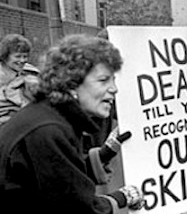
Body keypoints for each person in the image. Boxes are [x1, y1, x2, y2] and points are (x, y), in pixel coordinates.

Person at [0, 34, 144, 213]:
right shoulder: (48, 130)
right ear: (71, 84)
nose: (114, 88)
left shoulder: (51, 117)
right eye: (103, 80)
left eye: (114, 79)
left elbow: (62, 179)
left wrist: (104, 154)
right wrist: (123, 197)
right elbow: (77, 207)